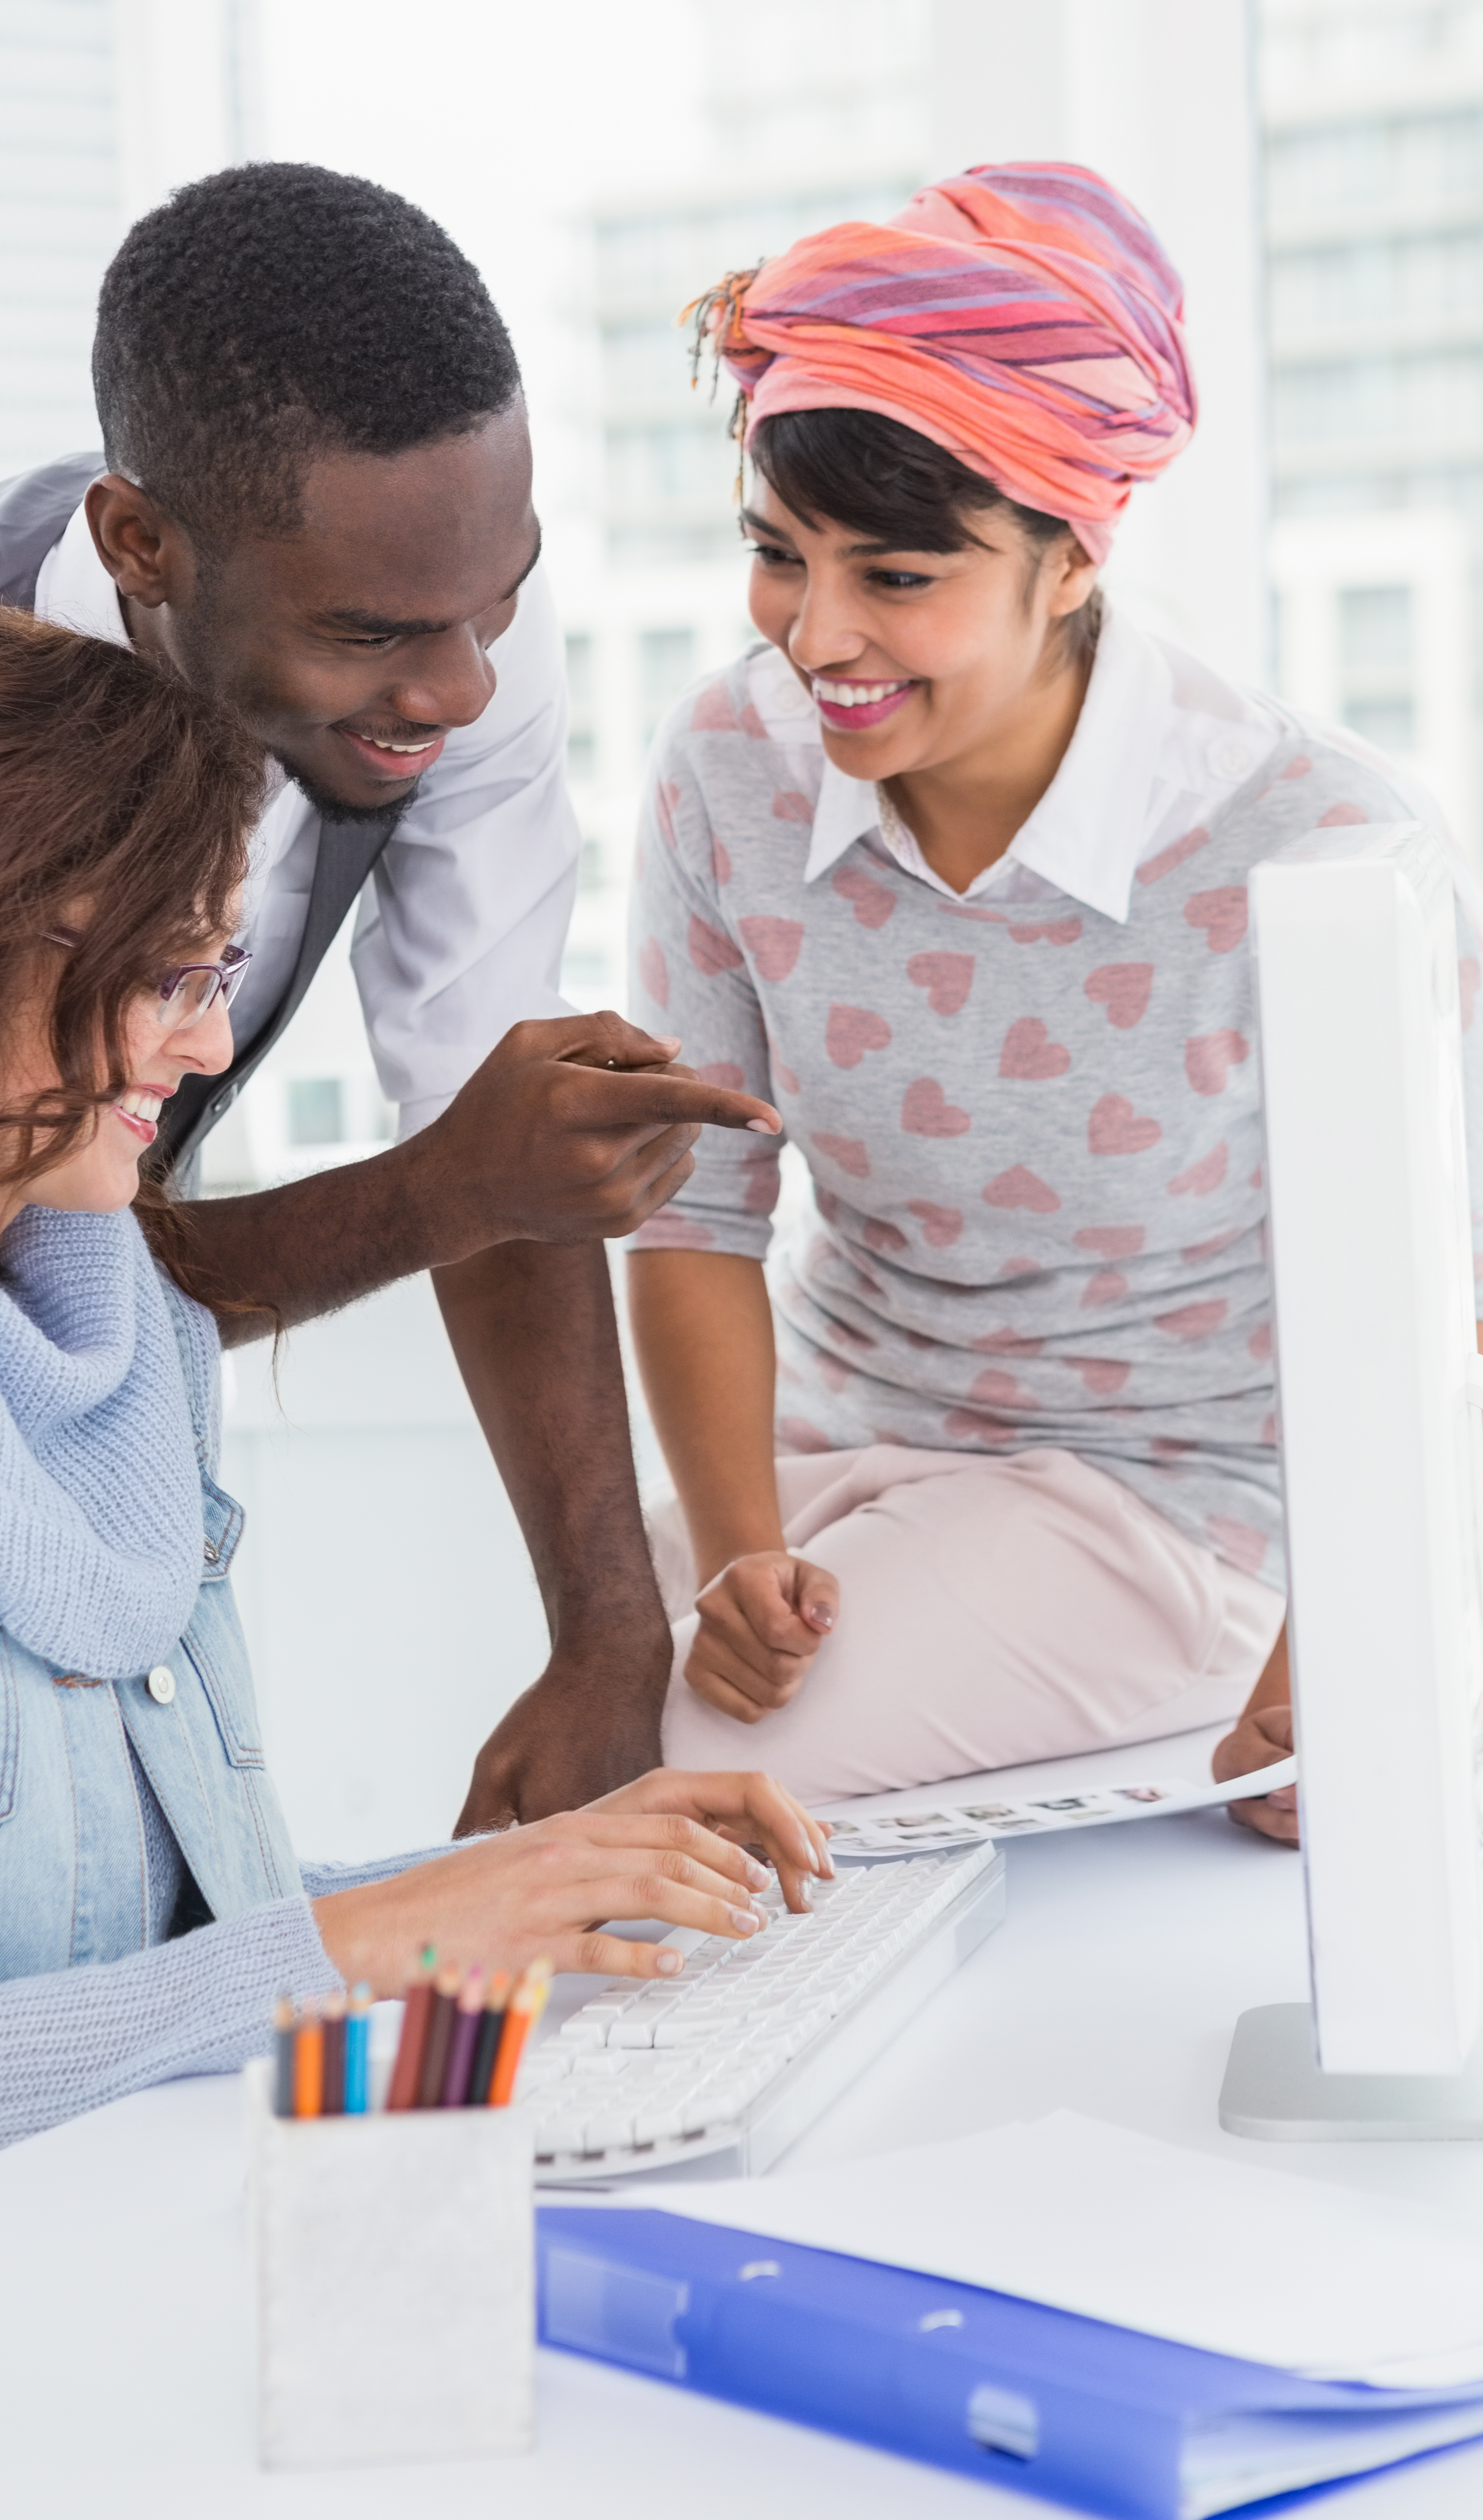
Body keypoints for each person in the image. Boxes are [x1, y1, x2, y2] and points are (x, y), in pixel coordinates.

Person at [0, 606, 827, 2313]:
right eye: (175, 980)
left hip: (85, 2282)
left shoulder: (121, 1339)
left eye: (220, 978)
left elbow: (186, 1942)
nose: (203, 1053)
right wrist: (396, 1934)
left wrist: (553, 1877)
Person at [0, 162, 779, 1834]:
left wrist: (609, 1637)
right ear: (141, 546)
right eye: (382, 633)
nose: (464, 685)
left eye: (503, 599)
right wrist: (435, 1192)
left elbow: (493, 1118)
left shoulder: (441, 626)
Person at [621, 160, 1483, 1849]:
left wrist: (1346, 1670)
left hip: (1171, 1506)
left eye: (899, 575)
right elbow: (693, 1216)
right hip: (843, 1447)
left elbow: (1444, 1298)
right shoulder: (725, 768)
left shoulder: (1315, 842)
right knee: (585, 1701)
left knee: (712, 1775)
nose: (818, 635)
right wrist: (737, 1555)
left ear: (1071, 558)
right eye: (778, 557)